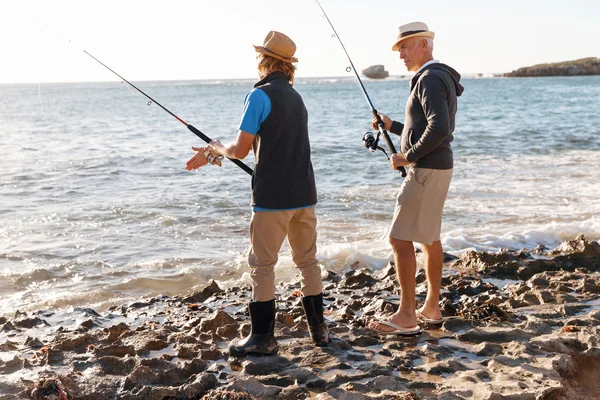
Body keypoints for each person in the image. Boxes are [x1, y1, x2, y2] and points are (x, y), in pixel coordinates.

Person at [185, 31, 328, 355]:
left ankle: (262, 339)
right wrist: (214, 153)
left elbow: (240, 148)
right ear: (287, 65)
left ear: (264, 60)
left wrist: (217, 148)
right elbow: (277, 146)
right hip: (304, 194)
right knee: (308, 262)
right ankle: (319, 333)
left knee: (262, 265)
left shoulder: (259, 96)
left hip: (272, 199)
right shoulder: (296, 98)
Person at [368, 22, 464, 335]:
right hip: (438, 166)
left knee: (399, 237)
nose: (401, 55)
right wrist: (392, 125)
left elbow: (440, 127)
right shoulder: (438, 76)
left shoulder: (430, 78)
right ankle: (431, 307)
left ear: (423, 45)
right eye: (399, 49)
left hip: (425, 169)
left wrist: (407, 156)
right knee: (429, 237)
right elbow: (425, 126)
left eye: (405, 48)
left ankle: (407, 315)